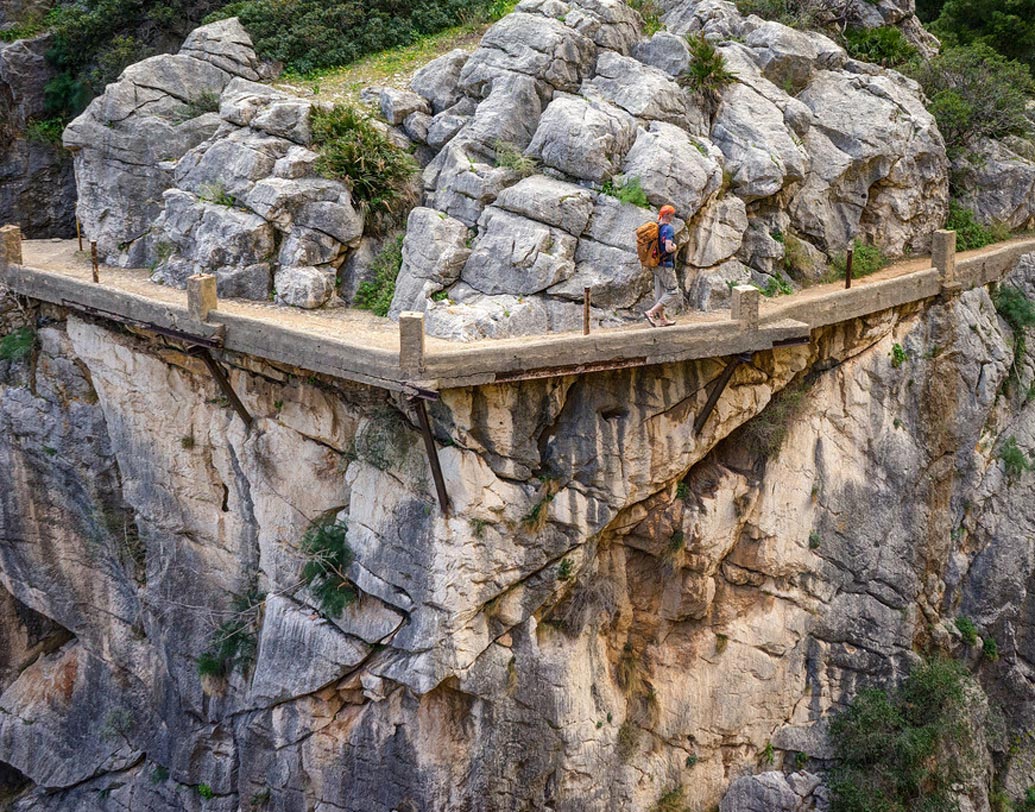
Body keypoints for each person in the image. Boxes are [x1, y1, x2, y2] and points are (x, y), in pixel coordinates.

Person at [645, 204, 679, 327]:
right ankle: (651, 312)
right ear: (667, 215)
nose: (673, 217)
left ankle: (663, 319)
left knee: (660, 293)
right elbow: (668, 248)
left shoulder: (656, 227)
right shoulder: (668, 229)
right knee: (673, 291)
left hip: (655, 264)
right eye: (672, 214)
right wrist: (675, 247)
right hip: (665, 265)